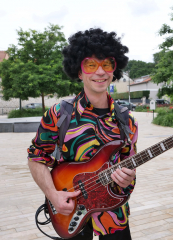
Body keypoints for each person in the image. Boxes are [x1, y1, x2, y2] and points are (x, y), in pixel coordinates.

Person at [27, 28, 138, 240]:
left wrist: (127, 179)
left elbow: (129, 163)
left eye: (107, 64)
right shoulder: (60, 114)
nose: (100, 71)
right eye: (90, 64)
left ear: (114, 70)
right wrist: (53, 195)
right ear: (79, 72)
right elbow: (36, 157)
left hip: (113, 216)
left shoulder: (127, 120)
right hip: (70, 213)